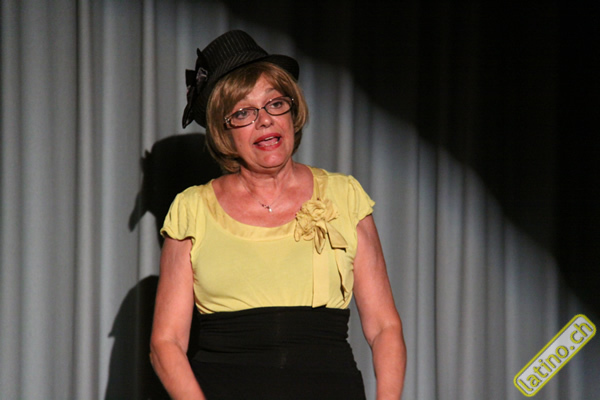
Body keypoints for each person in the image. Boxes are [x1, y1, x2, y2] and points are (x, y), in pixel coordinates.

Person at [150, 30, 406, 399]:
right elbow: (166, 342)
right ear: (223, 131)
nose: (265, 120)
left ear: (292, 111)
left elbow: (384, 327)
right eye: (243, 113)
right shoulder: (192, 209)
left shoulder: (344, 195)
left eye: (274, 104)